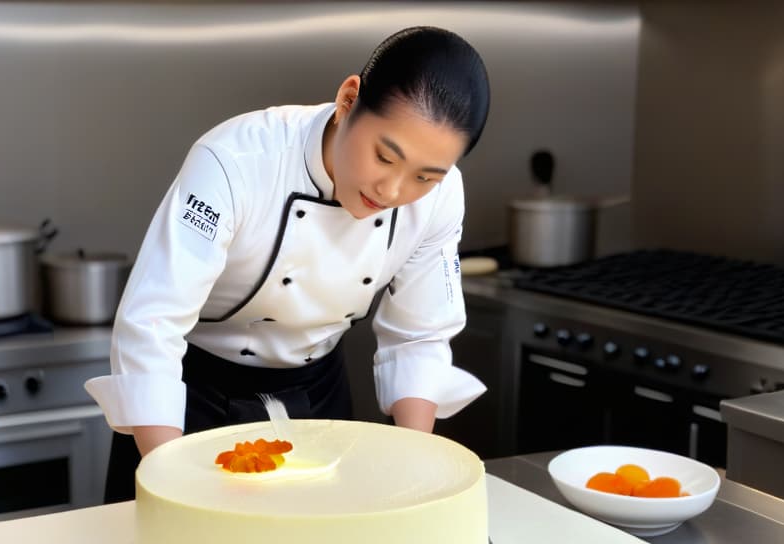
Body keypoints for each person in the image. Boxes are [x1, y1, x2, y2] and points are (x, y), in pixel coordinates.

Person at [85, 26, 491, 502]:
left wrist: (415, 475)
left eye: (424, 176)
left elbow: (419, 336)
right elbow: (152, 325)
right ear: (348, 100)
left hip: (319, 398)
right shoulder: (235, 161)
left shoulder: (442, 197)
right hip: (192, 399)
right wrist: (173, 487)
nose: (392, 191)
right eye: (384, 156)